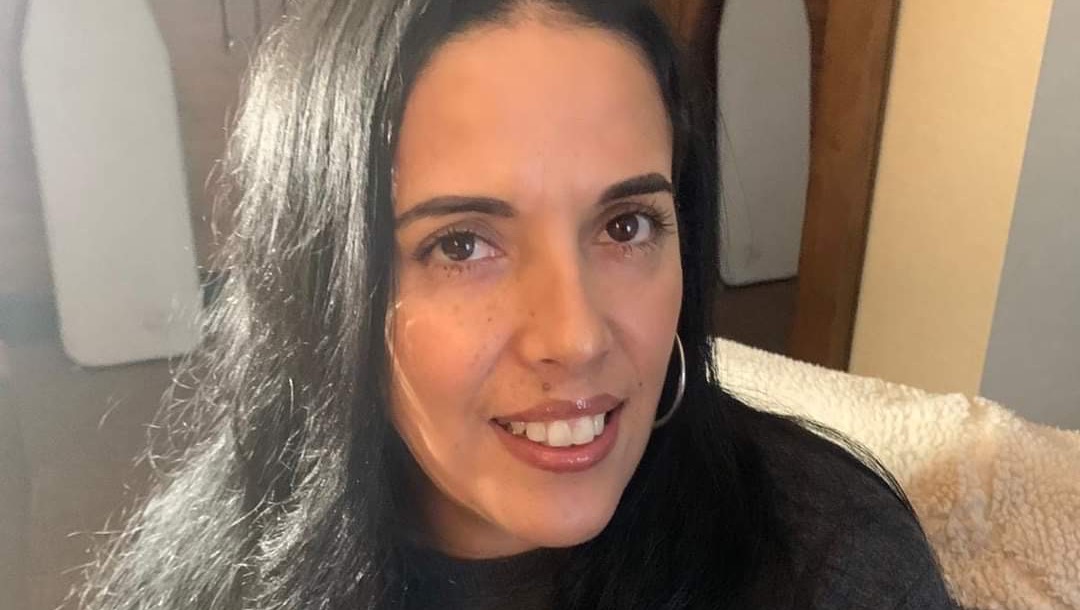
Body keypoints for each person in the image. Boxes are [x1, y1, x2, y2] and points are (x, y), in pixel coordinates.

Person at [80, 1, 959, 608]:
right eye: (461, 245)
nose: (575, 336)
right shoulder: (206, 579)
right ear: (321, 288)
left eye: (625, 225)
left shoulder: (833, 569)